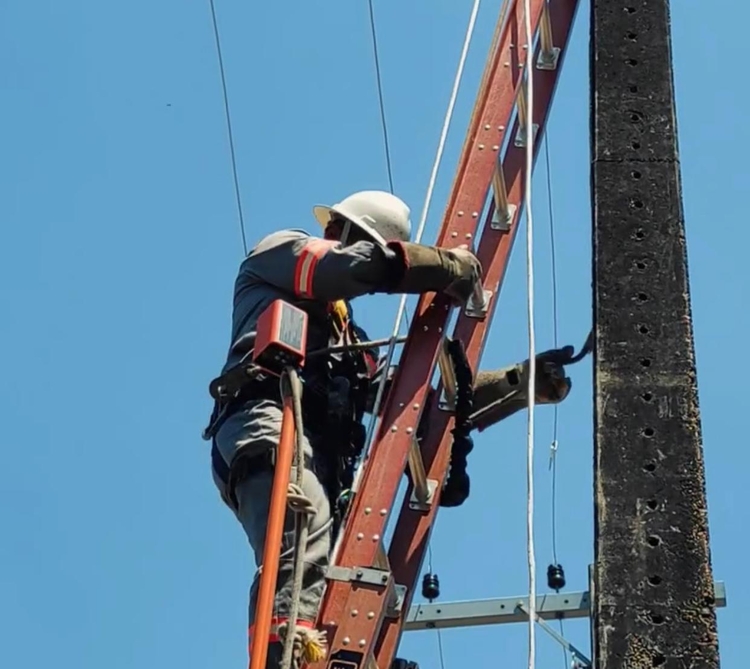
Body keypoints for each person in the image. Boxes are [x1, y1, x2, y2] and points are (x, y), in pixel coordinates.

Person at [203, 190, 574, 668]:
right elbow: (350, 267)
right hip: (271, 423)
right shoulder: (281, 254)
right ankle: (285, 657)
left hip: (320, 461)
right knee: (304, 525)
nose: (339, 242)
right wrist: (444, 267)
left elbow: (414, 404)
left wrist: (517, 384)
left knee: (351, 577)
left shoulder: (350, 341)